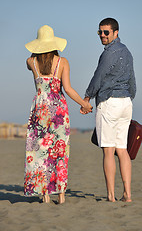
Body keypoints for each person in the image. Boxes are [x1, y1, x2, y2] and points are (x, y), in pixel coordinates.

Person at [24, 25, 92, 204]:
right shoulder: (63, 62)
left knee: (40, 151)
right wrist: (84, 104)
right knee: (60, 151)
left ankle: (45, 194)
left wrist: (35, 55)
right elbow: (68, 89)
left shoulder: (31, 62)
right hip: (58, 110)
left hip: (39, 109)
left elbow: (28, 62)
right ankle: (61, 195)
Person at [81, 18, 136, 202]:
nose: (102, 36)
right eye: (100, 32)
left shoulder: (109, 53)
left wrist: (87, 97)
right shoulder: (127, 52)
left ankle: (111, 196)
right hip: (126, 102)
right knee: (122, 149)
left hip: (110, 103)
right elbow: (132, 80)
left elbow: (98, 76)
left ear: (116, 32)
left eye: (106, 32)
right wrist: (129, 97)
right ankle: (127, 194)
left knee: (108, 151)